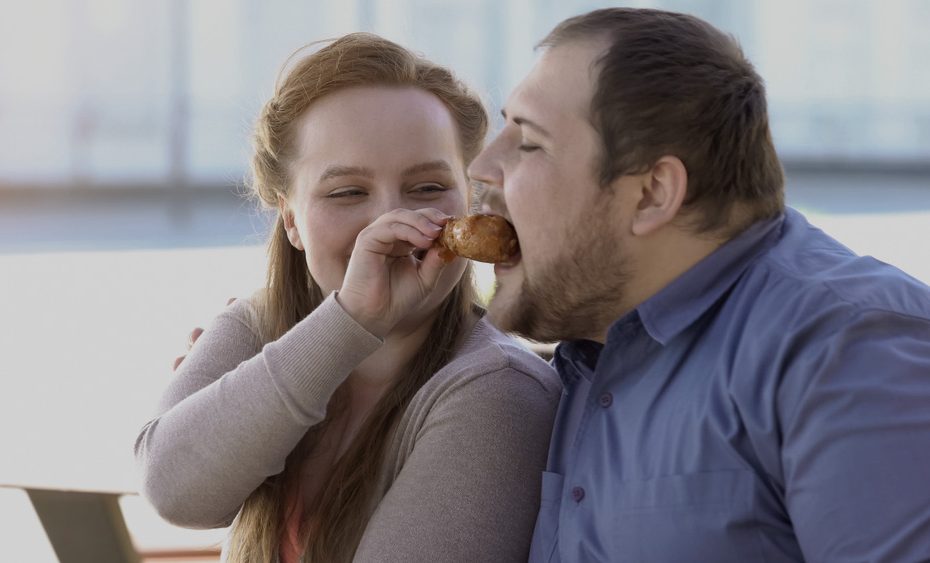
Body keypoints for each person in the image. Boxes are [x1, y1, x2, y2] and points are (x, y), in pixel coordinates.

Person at [466, 7, 930, 562]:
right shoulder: (586, 353)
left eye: (530, 142)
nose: (481, 166)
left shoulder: (847, 350)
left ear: (652, 194)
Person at [134, 33, 560, 563]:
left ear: (468, 203)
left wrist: (359, 313)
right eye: (347, 192)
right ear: (291, 220)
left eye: (428, 188)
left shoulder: (498, 391)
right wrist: (348, 321)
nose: (393, 223)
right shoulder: (257, 324)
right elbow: (175, 493)